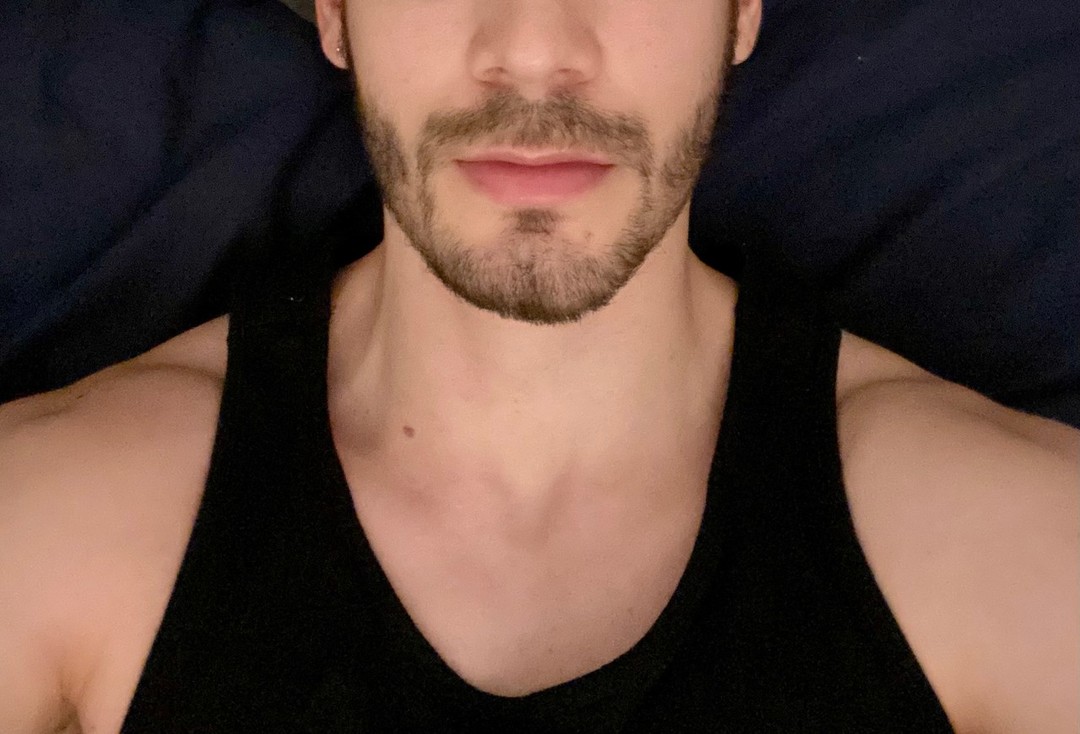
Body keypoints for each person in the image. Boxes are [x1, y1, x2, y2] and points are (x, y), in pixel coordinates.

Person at [0, 0, 1075, 731]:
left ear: (743, 8)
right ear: (333, 10)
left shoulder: (1019, 551)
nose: (532, 50)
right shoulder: (52, 525)